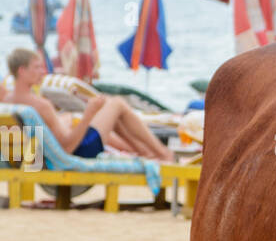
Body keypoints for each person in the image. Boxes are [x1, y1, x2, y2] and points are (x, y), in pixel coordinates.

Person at [6, 49, 174, 163]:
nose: (42, 71)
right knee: (116, 104)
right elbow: (67, 147)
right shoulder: (41, 105)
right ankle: (163, 153)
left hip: (33, 158)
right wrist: (89, 113)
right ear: (22, 70)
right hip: (79, 152)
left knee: (106, 111)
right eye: (37, 67)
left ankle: (145, 153)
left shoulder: (7, 101)